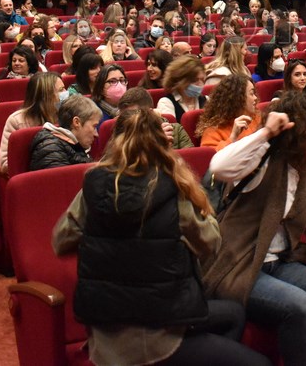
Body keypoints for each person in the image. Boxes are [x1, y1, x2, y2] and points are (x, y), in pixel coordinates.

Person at [51, 107, 269, 366]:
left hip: (105, 334)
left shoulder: (95, 186)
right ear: (162, 143)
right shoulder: (172, 186)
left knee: (232, 314)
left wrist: (105, 236)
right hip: (155, 338)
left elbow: (61, 240)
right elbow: (211, 243)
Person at [204, 91, 306, 366]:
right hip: (238, 264)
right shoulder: (260, 163)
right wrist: (265, 132)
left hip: (279, 263)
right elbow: (218, 166)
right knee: (299, 305)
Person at [0, 72, 64, 171]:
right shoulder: (16, 120)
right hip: (32, 175)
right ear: (46, 96)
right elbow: (5, 163)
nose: (66, 93)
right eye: (61, 90)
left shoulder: (67, 115)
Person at [28, 94, 98, 171]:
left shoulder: (74, 146)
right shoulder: (51, 149)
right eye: (94, 126)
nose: (96, 134)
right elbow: (64, 178)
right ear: (76, 122)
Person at [198, 74, 263, 151]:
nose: (255, 98)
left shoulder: (256, 118)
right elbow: (211, 157)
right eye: (251, 93)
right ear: (238, 99)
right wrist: (233, 137)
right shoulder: (212, 131)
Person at [157, 56, 207, 122]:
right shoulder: (166, 103)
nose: (200, 84)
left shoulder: (206, 100)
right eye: (195, 80)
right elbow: (172, 127)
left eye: (202, 80)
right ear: (180, 80)